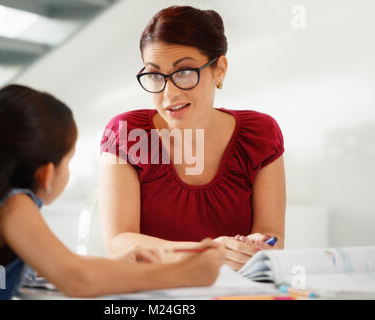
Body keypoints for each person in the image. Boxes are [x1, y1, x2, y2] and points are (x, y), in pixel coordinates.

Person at [0, 84, 225, 300]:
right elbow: (76, 279)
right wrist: (186, 275)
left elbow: (63, 265)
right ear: (46, 173)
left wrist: (116, 265)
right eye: (68, 161)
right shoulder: (13, 206)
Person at [99, 5, 286, 270]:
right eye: (154, 75)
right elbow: (118, 241)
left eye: (184, 72)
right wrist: (207, 251)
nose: (169, 94)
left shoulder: (261, 134)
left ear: (219, 69)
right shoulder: (126, 133)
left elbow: (272, 239)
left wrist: (255, 246)